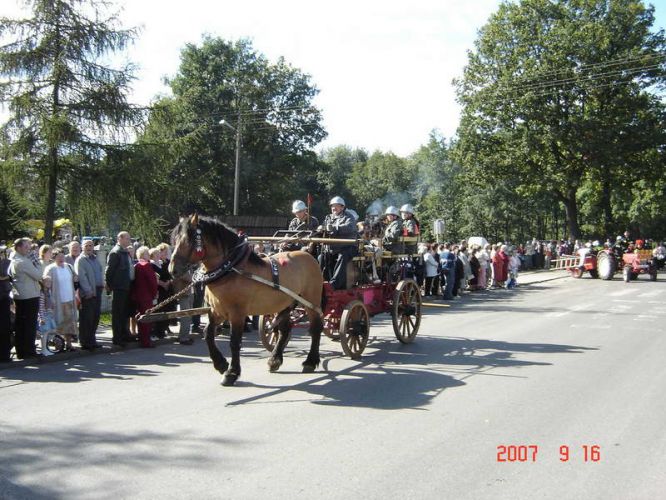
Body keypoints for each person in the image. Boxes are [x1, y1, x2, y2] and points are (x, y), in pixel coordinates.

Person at [9, 238, 43, 360]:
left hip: (22, 295)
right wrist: (37, 262)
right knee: (29, 324)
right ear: (18, 247)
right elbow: (39, 275)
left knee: (22, 324)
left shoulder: (14, 259)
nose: (28, 249)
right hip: (29, 296)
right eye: (26, 247)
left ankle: (22, 351)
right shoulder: (23, 261)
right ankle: (29, 351)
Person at [43, 249, 78, 351]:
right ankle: (58, 344)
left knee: (69, 322)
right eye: (58, 256)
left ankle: (69, 343)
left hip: (70, 299)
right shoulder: (51, 268)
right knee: (58, 322)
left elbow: (75, 277)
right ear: (54, 257)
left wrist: (76, 278)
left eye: (62, 256)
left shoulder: (69, 267)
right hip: (57, 300)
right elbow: (46, 283)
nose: (61, 258)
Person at [319, 196, 358, 290]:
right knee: (321, 257)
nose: (333, 208)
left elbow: (350, 227)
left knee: (342, 256)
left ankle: (334, 284)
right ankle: (322, 281)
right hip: (332, 247)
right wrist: (320, 229)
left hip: (347, 247)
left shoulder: (348, 217)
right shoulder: (328, 217)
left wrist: (335, 228)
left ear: (342, 207)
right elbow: (325, 228)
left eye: (336, 206)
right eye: (332, 206)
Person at [105, 231, 134, 346]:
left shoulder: (125, 252)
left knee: (125, 313)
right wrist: (110, 285)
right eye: (127, 238)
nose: (129, 241)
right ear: (120, 238)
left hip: (126, 286)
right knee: (118, 313)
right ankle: (117, 338)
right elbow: (109, 271)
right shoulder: (115, 252)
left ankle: (125, 334)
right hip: (119, 287)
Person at [75, 239, 104, 350]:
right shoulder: (81, 260)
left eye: (91, 245)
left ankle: (92, 340)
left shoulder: (95, 259)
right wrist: (88, 291)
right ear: (82, 247)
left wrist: (102, 283)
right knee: (87, 318)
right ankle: (85, 342)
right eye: (86, 245)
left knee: (95, 317)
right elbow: (82, 277)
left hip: (98, 290)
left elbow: (99, 272)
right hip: (88, 293)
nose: (89, 247)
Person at [131, 246, 158, 348]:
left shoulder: (137, 265)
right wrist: (154, 292)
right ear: (144, 255)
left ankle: (141, 338)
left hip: (138, 295)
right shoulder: (146, 265)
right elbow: (152, 281)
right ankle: (146, 341)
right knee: (146, 319)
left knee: (140, 317)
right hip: (146, 295)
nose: (149, 256)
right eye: (147, 253)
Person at [0, 245, 12, 362]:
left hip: (4, 297)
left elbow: (9, 276)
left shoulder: (7, 262)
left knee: (5, 326)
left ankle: (4, 354)